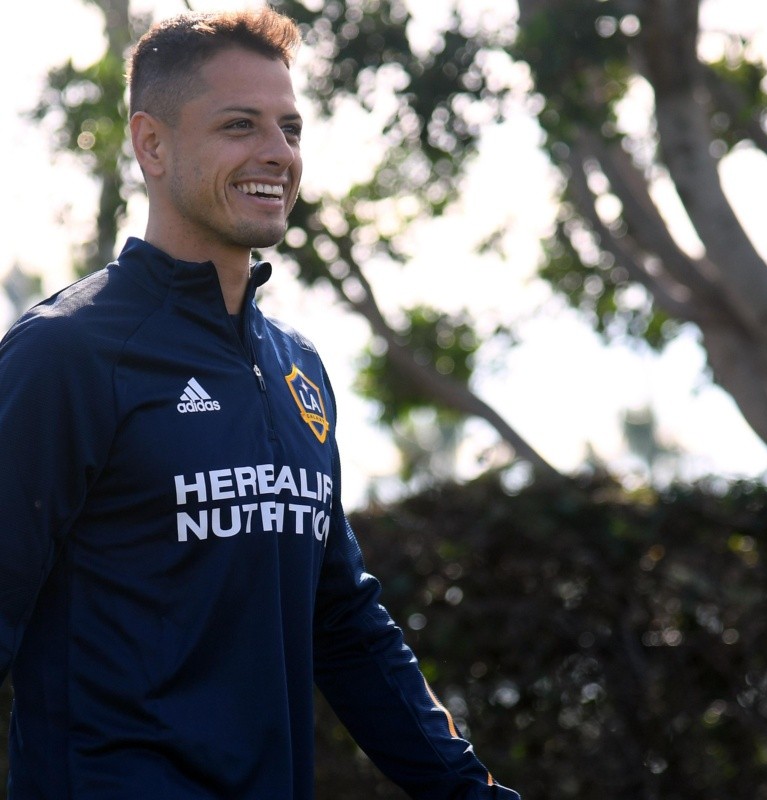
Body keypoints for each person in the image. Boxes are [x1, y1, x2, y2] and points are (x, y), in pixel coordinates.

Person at [0, 7, 521, 800]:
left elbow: (341, 623)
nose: (276, 154)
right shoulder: (64, 354)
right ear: (152, 144)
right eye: (239, 126)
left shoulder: (297, 369)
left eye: (291, 129)